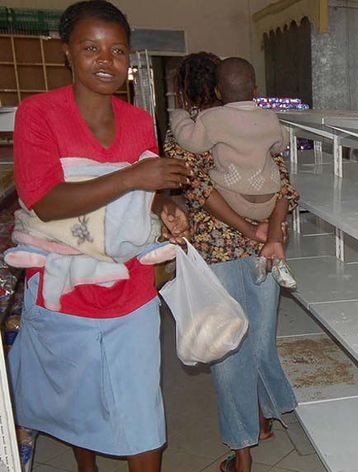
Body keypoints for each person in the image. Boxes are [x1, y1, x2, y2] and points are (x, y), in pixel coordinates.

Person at [7, 2, 191, 472]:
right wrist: (133, 178)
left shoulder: (138, 121)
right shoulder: (38, 114)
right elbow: (44, 200)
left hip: (130, 290)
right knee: (75, 401)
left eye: (117, 50)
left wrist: (166, 206)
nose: (106, 61)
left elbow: (144, 200)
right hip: (63, 292)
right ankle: (85, 465)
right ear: (67, 52)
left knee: (141, 411)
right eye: (91, 48)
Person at [164, 52, 298, 472]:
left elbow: (201, 190)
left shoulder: (188, 134)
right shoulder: (260, 123)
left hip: (219, 249)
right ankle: (261, 421)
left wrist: (249, 229)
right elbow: (283, 184)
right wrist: (271, 232)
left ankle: (243, 452)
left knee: (229, 348)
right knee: (259, 339)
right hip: (265, 244)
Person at [168, 57, 295, 287]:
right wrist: (274, 232)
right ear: (254, 90)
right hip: (266, 217)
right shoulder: (268, 118)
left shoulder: (206, 123)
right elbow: (283, 175)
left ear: (219, 90)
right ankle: (270, 268)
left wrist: (179, 117)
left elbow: (199, 186)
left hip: (219, 241)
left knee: (226, 320)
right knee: (263, 321)